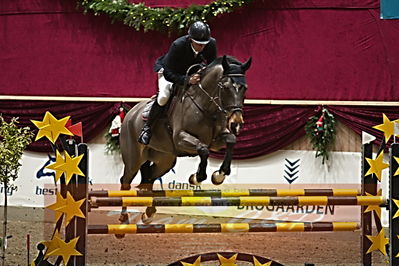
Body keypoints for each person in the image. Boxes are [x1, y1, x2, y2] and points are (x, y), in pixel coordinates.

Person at [138, 21, 217, 145]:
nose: (202, 47)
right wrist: (186, 80)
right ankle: (147, 128)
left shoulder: (211, 44)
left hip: (192, 72)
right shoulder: (178, 45)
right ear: (190, 39)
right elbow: (169, 73)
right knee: (164, 96)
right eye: (198, 44)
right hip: (169, 72)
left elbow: (212, 66)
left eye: (204, 44)